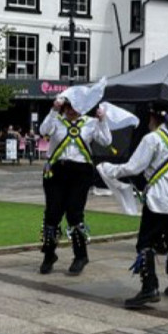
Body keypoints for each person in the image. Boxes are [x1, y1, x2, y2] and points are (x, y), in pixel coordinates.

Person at [100, 100, 168, 308]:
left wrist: (108, 170)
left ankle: (149, 287)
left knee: (145, 243)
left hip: (158, 200)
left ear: (154, 117)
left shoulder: (152, 139)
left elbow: (133, 168)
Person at [38, 96, 112, 276]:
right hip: (56, 170)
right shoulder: (57, 120)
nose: (71, 110)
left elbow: (106, 141)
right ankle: (49, 255)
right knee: (52, 213)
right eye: (68, 106)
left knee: (74, 213)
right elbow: (43, 131)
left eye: (75, 106)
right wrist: (53, 110)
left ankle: (80, 256)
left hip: (80, 172)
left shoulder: (91, 123)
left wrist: (102, 121)